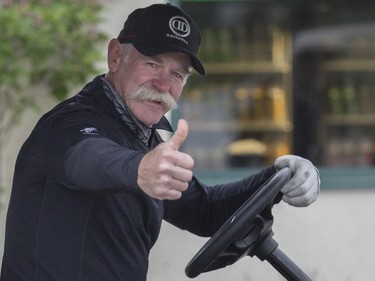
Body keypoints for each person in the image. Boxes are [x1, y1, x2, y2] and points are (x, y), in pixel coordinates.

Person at [0, 3, 320, 281]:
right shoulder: (70, 123)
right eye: (151, 64)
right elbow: (88, 158)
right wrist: (139, 169)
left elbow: (203, 210)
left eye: (177, 75)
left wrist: (280, 176)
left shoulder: (143, 138)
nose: (163, 83)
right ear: (115, 56)